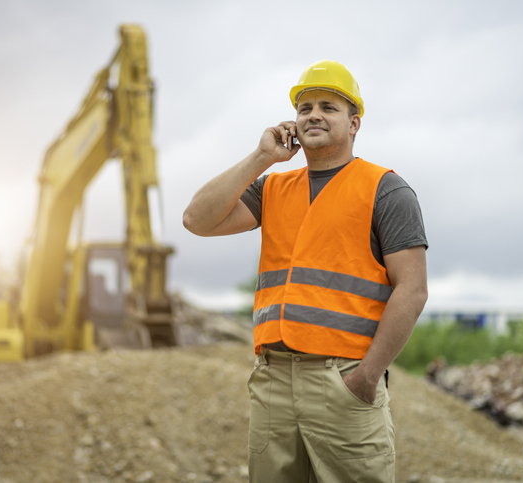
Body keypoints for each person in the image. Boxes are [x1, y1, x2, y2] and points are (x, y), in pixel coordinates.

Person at [183, 59, 428, 482]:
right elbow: (196, 220)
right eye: (305, 107)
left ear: (354, 124)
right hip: (273, 380)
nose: (314, 114)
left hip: (343, 378)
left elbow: (413, 289)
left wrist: (367, 376)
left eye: (329, 107)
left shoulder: (386, 189)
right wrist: (262, 157)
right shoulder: (273, 188)